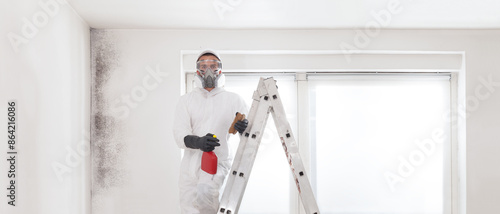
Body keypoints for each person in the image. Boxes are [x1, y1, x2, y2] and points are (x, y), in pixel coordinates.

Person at [173, 49, 249, 214]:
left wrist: (245, 129)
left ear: (220, 70)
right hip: (189, 166)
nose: (208, 70)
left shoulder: (233, 100)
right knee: (188, 208)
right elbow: (180, 134)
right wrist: (198, 142)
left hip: (217, 161)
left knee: (206, 194)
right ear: (197, 70)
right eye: (203, 65)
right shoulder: (186, 101)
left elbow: (251, 134)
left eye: (213, 65)